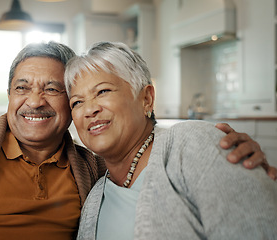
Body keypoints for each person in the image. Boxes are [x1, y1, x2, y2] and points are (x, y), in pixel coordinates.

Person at [0, 41, 273, 240]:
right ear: (9, 95)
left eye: (53, 89)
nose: (35, 100)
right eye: (21, 87)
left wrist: (263, 177)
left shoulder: (93, 170)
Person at [64, 41, 277, 240]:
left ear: (146, 98)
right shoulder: (94, 194)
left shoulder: (192, 144)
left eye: (103, 91)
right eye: (77, 102)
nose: (90, 110)